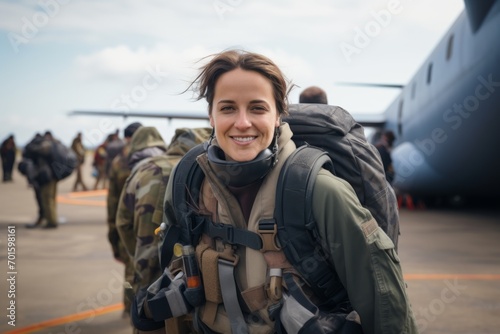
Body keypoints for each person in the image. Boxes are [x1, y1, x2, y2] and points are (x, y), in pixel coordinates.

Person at [139, 50, 418, 333]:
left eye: (258, 108)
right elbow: (171, 271)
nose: (243, 122)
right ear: (211, 116)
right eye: (227, 108)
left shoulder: (320, 191)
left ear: (278, 115)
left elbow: (384, 302)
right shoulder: (188, 180)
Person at [116, 126, 211, 332]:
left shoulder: (142, 170)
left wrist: (138, 255)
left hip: (146, 273)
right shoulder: (202, 169)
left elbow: (123, 223)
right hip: (190, 276)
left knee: (147, 321)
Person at [106, 121, 142, 318]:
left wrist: (113, 237)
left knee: (130, 272)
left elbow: (112, 204)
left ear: (127, 138)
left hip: (125, 225)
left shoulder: (119, 162)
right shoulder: (156, 157)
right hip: (149, 227)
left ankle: (130, 308)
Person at [24, 131, 60, 228]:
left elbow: (31, 151)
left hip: (47, 177)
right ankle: (52, 219)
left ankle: (52, 221)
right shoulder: (55, 144)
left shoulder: (44, 146)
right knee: (51, 199)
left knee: (47, 199)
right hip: (54, 176)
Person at [19, 133, 46, 228]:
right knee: (45, 199)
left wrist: (30, 181)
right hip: (45, 178)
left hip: (37, 178)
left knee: (40, 199)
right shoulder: (43, 148)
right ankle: (46, 217)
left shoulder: (31, 148)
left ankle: (43, 217)